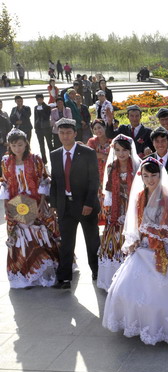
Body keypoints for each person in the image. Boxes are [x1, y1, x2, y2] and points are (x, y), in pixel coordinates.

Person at [103, 157, 168, 348]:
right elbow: (136, 224)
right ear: (141, 176)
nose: (150, 180)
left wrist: (162, 238)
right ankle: (139, 324)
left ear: (160, 175)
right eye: (146, 176)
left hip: (164, 247)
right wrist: (136, 240)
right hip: (144, 247)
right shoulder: (139, 196)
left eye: (154, 175)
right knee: (127, 287)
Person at [0, 129, 59, 288]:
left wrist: (40, 204)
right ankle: (26, 273)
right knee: (21, 238)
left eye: (20, 144)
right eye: (13, 145)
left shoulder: (35, 159)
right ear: (9, 146)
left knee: (41, 234)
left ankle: (44, 270)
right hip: (16, 206)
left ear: (26, 143)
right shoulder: (6, 162)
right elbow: (4, 182)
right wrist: (6, 204)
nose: (17, 148)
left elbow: (43, 180)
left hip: (36, 204)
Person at [49, 118, 100, 289]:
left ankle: (98, 272)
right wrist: (54, 204)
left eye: (68, 132)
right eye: (62, 133)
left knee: (92, 241)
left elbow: (94, 181)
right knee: (66, 243)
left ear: (75, 133)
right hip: (65, 206)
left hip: (85, 206)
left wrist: (89, 203)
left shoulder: (88, 153)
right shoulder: (55, 154)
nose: (65, 136)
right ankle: (64, 278)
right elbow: (55, 181)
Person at [97, 135, 141, 291]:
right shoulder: (112, 167)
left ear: (130, 150)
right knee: (113, 238)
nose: (121, 153)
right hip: (117, 208)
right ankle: (113, 279)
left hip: (135, 206)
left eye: (124, 150)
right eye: (117, 150)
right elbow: (108, 190)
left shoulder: (137, 166)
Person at [86, 119, 111, 226]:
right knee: (99, 198)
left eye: (100, 127)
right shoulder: (92, 141)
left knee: (109, 197)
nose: (98, 130)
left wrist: (100, 155)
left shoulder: (111, 141)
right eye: (95, 128)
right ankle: (101, 220)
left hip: (109, 174)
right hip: (96, 174)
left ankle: (110, 220)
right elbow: (90, 154)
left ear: (104, 128)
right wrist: (104, 156)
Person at [33, 94, 53, 164]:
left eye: (40, 99)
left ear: (43, 99)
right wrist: (35, 127)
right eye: (37, 99)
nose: (39, 100)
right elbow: (35, 118)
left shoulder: (47, 107)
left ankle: (52, 157)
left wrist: (42, 110)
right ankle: (44, 160)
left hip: (46, 127)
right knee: (41, 145)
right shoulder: (35, 107)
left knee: (49, 144)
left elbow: (47, 117)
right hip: (38, 128)